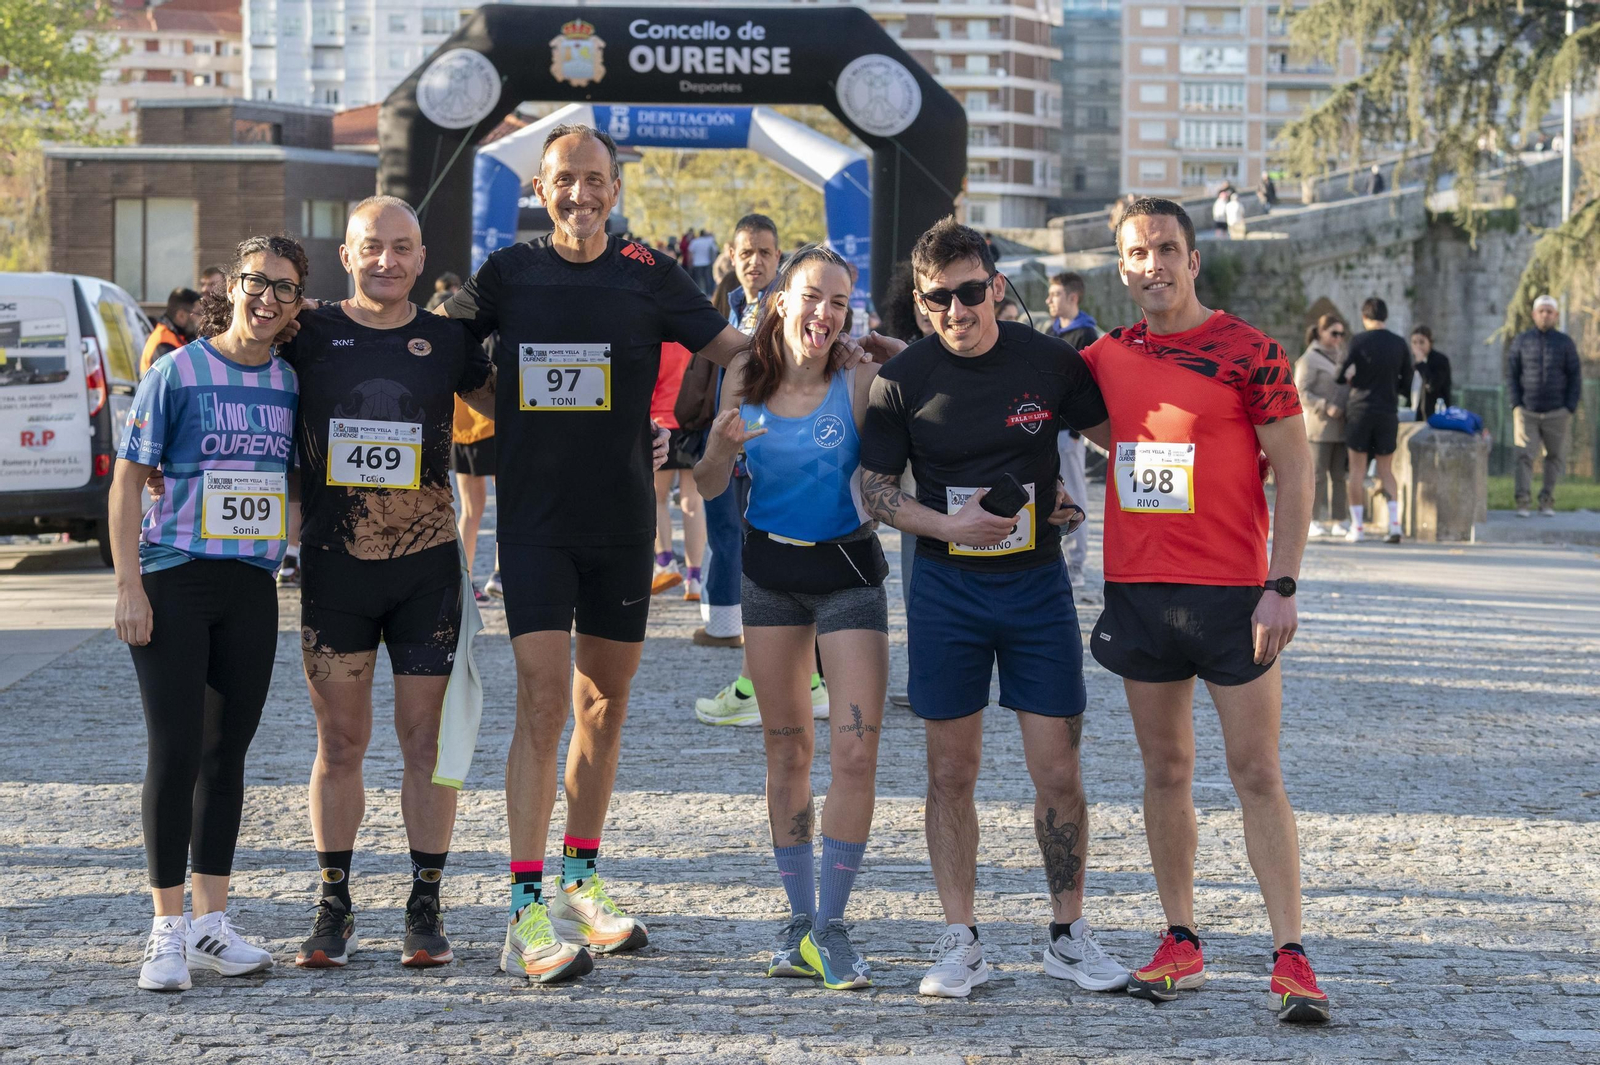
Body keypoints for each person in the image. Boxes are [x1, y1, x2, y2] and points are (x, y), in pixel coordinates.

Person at [436, 125, 777, 984]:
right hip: (538, 524)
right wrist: (503, 401)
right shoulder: (510, 272)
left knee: (603, 708)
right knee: (543, 701)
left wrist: (722, 439)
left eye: (594, 180)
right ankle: (523, 905)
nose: (579, 194)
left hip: (625, 520)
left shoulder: (650, 272)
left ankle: (581, 876)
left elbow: (734, 351)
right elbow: (445, 350)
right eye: (563, 181)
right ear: (541, 190)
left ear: (615, 186)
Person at [859, 217, 1129, 1000]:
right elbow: (875, 492)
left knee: (1059, 769)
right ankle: (960, 938)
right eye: (940, 298)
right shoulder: (902, 378)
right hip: (945, 590)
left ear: (998, 287)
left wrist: (1079, 503)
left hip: (1037, 589)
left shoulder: (1050, 362)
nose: (958, 310)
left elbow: (1130, 442)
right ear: (920, 301)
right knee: (951, 770)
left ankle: (1069, 934)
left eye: (971, 292)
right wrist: (949, 525)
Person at [1081, 196, 1328, 1024]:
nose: (1152, 264)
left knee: (1256, 771)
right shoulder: (1105, 356)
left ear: (1193, 259)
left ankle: (1290, 951)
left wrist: (1282, 581)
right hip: (1142, 591)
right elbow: (1003, 380)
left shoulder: (1250, 351)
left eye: (1166, 249)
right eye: (1137, 252)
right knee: (1166, 771)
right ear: (1121, 266)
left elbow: (1296, 471)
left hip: (1234, 597)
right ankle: (1180, 936)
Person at [275, 197, 495, 971]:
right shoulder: (308, 333)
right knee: (340, 742)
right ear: (346, 253)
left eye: (402, 248)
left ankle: (424, 902)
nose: (388, 261)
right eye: (373, 247)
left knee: (423, 743)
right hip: (334, 570)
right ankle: (333, 902)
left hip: (426, 570)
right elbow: (231, 358)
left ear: (421, 254)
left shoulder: (447, 340)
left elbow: (521, 413)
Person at [110, 235, 305, 991]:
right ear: (233, 285)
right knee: (177, 746)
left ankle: (210, 925)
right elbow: (127, 483)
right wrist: (128, 584)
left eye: (285, 289)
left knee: (229, 756)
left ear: (296, 305)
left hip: (250, 586)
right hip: (175, 578)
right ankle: (163, 929)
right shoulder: (177, 370)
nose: (267, 299)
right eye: (257, 283)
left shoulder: (291, 383)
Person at [695, 244, 892, 990]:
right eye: (813, 296)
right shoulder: (743, 375)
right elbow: (712, 481)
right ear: (781, 299)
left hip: (847, 572)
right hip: (770, 574)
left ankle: (833, 926)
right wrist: (717, 448)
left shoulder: (860, 377)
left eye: (839, 301)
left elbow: (925, 391)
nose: (825, 313)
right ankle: (797, 921)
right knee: (787, 750)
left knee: (856, 752)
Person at [695, 214, 827, 727]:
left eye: (765, 253)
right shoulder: (730, 304)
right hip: (739, 452)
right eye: (746, 252)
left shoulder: (789, 308)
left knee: (779, 564)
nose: (754, 262)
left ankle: (785, 684)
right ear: (731, 255)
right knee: (759, 564)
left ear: (780, 260)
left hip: (778, 453)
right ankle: (793, 681)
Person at [1338, 297, 1410, 543]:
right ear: (1385, 317)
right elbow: (1407, 382)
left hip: (1360, 409)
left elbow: (1340, 373)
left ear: (1364, 317)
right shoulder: (1399, 343)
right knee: (1386, 469)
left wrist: (1354, 380)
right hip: (1387, 410)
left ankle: (1357, 528)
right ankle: (1394, 525)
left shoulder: (1358, 341)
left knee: (1357, 470)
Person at [1045, 272, 1100, 585]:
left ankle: (1077, 563)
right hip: (1047, 430)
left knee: (1075, 495)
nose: (1049, 300)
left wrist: (1080, 429)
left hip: (1071, 432)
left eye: (1055, 294)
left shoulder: (1086, 334)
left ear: (1073, 298)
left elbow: (1091, 386)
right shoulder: (1048, 331)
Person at [1507, 295, 1581, 517]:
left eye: (1550, 311)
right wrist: (1516, 404)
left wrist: (1569, 407)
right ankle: (1522, 500)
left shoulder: (1565, 343)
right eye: (1542, 311)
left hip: (1557, 411)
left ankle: (1547, 501)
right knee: (1524, 455)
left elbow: (1575, 376)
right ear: (1534, 314)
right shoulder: (1522, 341)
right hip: (1527, 410)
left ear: (1556, 315)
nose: (1545, 315)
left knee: (1554, 457)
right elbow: (1512, 373)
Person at [650, 342, 706, 599]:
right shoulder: (696, 340)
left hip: (661, 425)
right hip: (693, 425)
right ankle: (694, 578)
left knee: (658, 498)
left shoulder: (657, 342)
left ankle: (664, 563)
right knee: (692, 502)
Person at [1296, 314, 1351, 538]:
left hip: (1341, 425)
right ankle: (1313, 520)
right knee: (1317, 475)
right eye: (1333, 333)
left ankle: (1339, 519)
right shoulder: (1309, 359)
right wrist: (1324, 405)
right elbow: (1300, 391)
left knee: (1339, 475)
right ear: (1321, 332)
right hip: (1319, 426)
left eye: (1341, 334)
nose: (1338, 338)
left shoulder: (1342, 357)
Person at [452, 391, 499, 602]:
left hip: (460, 423)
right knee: (507, 504)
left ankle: (462, 582)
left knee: (469, 511)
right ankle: (500, 573)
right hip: (492, 420)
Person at [139, 288, 201, 375]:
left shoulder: (176, 336)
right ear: (181, 315)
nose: (202, 318)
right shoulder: (164, 343)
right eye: (198, 313)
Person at [1407, 325, 1453, 418]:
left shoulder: (1440, 360)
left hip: (1434, 414)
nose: (1418, 346)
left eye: (1422, 342)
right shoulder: (1410, 361)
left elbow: (1432, 385)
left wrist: (1421, 364)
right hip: (1414, 412)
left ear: (1430, 342)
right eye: (1414, 342)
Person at [689, 229, 718, 293]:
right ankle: (709, 294)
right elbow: (715, 250)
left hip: (696, 263)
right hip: (707, 263)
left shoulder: (694, 241)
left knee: (697, 281)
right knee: (708, 280)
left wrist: (690, 264)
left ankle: (698, 293)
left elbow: (690, 253)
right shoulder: (708, 241)